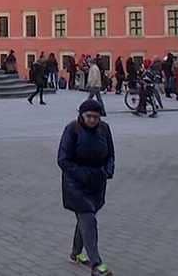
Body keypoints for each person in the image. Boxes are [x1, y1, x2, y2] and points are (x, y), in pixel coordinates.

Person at [58, 99, 115, 276]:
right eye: (89, 116)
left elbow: (110, 155)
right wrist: (81, 174)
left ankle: (75, 253)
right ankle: (96, 264)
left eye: (96, 117)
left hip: (97, 182)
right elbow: (63, 159)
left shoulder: (104, 129)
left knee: (85, 220)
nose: (92, 120)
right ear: (82, 115)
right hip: (76, 184)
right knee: (88, 218)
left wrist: (108, 171)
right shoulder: (72, 129)